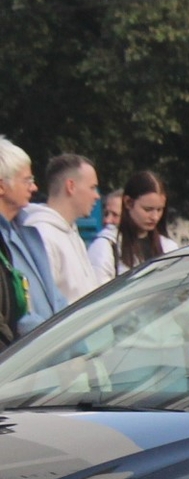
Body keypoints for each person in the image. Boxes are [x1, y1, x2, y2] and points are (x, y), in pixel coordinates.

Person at [26, 153, 109, 305]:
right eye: (92, 187)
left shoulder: (71, 232)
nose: (96, 196)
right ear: (71, 186)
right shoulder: (42, 235)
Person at [0, 137, 62, 341]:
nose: (34, 188)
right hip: (25, 361)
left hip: (55, 356)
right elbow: (21, 315)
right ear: (1, 187)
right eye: (27, 180)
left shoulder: (28, 230)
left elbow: (54, 298)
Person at [102, 171, 174, 275]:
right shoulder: (107, 245)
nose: (155, 217)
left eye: (159, 210)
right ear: (128, 203)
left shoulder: (168, 246)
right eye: (148, 209)